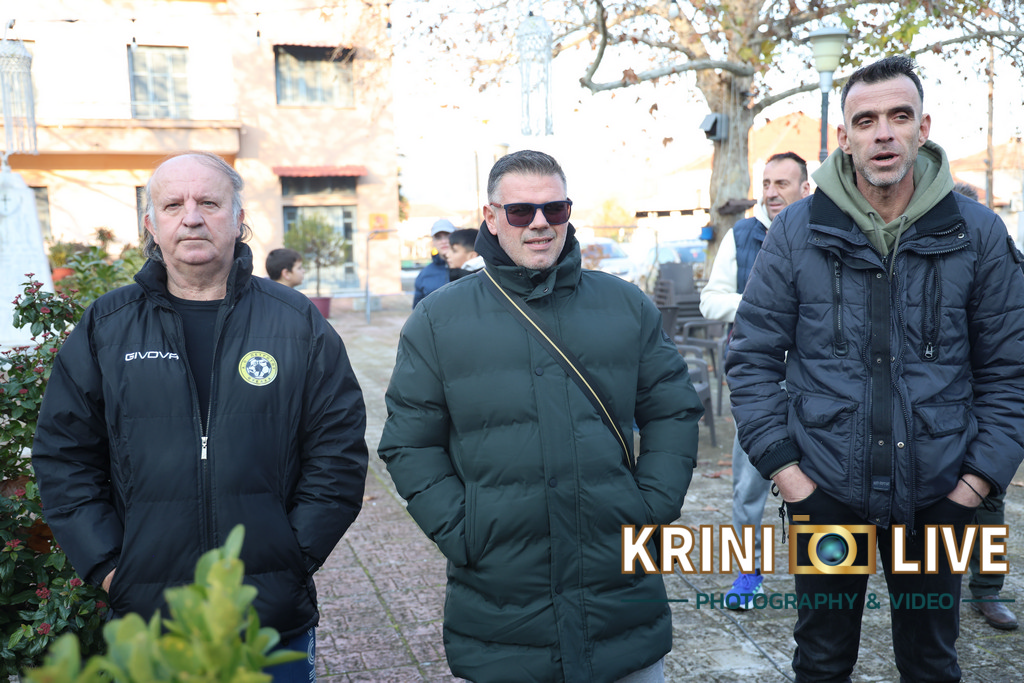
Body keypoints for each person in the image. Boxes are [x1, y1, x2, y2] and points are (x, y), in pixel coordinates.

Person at [726, 55, 1024, 681]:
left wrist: (974, 487)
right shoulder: (797, 232)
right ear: (845, 136)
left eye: (899, 116)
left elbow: (1009, 371)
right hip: (825, 491)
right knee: (822, 660)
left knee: (932, 663)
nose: (883, 133)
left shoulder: (977, 233)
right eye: (866, 121)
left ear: (923, 127)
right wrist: (788, 475)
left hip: (940, 494)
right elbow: (751, 358)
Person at [31, 151, 370, 682]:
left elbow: (339, 451)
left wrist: (293, 556)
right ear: (151, 224)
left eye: (209, 203)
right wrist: (111, 568)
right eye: (173, 205)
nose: (191, 217)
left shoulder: (296, 322)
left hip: (269, 618)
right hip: (149, 620)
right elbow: (64, 456)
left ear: (238, 219)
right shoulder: (107, 326)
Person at [378, 150, 704, 683]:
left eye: (554, 209)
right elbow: (409, 443)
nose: (539, 223)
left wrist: (652, 508)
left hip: (620, 596)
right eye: (520, 211)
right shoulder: (437, 319)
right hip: (502, 604)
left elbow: (674, 409)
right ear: (490, 217)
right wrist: (463, 529)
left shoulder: (625, 305)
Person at [700, 151, 811, 609]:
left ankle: (823, 578)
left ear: (805, 188)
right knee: (748, 487)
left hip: (817, 384)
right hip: (758, 383)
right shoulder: (741, 235)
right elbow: (711, 302)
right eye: (766, 183)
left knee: (821, 486)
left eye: (781, 183)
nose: (770, 192)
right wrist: (761, 301)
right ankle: (748, 574)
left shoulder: (823, 230)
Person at [951, 181, 1019, 631]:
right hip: (942, 403)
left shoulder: (999, 256)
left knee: (989, 498)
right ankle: (937, 586)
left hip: (987, 401)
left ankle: (988, 590)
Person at [412, 218, 452, 307]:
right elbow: (417, 311)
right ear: (433, 242)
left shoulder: (468, 268)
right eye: (438, 237)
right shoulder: (424, 274)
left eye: (447, 236)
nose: (443, 241)